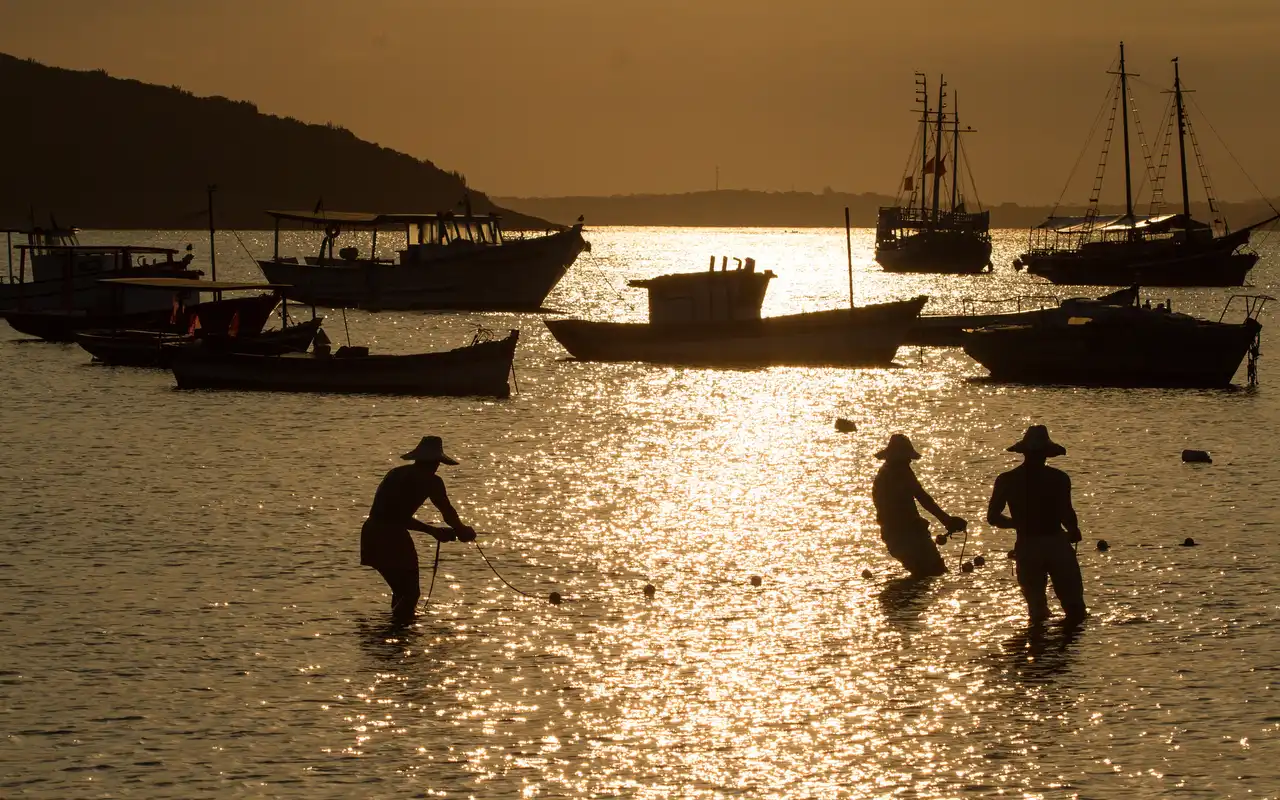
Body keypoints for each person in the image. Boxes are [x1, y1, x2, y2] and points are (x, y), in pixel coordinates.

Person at [361, 436, 476, 622]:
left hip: (371, 532)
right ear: (437, 462)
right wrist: (458, 530)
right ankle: (398, 632)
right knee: (410, 593)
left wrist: (439, 531)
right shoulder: (432, 481)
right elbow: (446, 512)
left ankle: (395, 634)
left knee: (401, 591)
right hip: (392, 535)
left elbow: (390, 514)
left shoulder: (395, 473)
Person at [986, 425, 1086, 625]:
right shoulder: (1058, 478)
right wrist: (1074, 531)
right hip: (1056, 543)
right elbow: (1066, 512)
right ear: (1047, 454)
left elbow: (993, 517)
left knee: (1036, 610)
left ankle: (1040, 650)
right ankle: (1066, 650)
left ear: (1025, 452)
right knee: (1074, 607)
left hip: (1027, 544)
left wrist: (1018, 524)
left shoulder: (1007, 480)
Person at [872, 434, 967, 578]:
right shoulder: (900, 473)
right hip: (908, 536)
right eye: (906, 458)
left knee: (923, 575)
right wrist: (947, 521)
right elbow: (923, 498)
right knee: (935, 573)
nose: (910, 460)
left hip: (893, 534)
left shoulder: (885, 472)